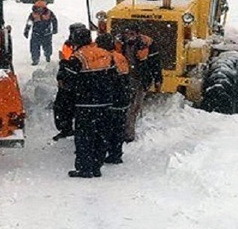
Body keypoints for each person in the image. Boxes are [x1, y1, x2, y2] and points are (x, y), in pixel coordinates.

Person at [56, 24, 116, 178]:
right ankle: (97, 166)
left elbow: (67, 78)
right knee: (101, 135)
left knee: (84, 137)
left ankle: (85, 168)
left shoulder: (79, 56)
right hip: (106, 101)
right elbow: (114, 77)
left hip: (86, 103)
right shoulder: (106, 54)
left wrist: (63, 63)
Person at [116, 23, 163, 142]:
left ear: (138, 34)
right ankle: (120, 133)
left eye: (132, 34)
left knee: (134, 108)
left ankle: (128, 135)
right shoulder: (117, 43)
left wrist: (158, 79)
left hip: (140, 79)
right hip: (122, 79)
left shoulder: (147, 44)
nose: (129, 36)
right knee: (123, 107)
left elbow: (155, 63)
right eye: (127, 33)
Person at [95, 32, 131, 164]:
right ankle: (116, 153)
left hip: (111, 99)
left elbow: (105, 79)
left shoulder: (105, 58)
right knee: (118, 127)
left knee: (106, 128)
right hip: (123, 97)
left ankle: (104, 153)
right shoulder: (120, 57)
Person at [23, 0, 58, 65]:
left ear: (44, 8)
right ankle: (35, 60)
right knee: (34, 48)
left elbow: (54, 21)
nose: (39, 9)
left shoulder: (49, 13)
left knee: (47, 47)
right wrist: (26, 31)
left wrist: (55, 29)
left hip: (47, 34)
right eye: (37, 8)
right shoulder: (32, 14)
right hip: (36, 34)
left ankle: (48, 56)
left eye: (41, 8)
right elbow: (29, 23)